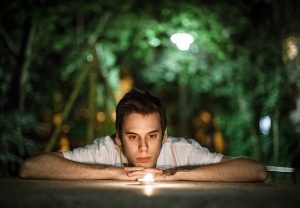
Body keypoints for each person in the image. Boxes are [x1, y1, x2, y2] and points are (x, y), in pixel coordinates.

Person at [19, 88, 267, 182]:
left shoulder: (182, 151)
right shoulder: (106, 149)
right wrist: (113, 172)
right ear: (118, 138)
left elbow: (255, 171)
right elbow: (31, 167)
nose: (143, 148)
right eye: (132, 136)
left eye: (152, 136)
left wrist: (173, 175)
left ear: (164, 135)